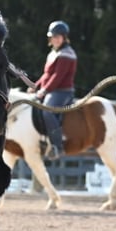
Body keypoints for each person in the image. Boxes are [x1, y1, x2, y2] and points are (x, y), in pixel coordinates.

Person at [29, 20, 77, 159]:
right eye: (53, 36)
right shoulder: (53, 53)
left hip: (62, 91)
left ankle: (58, 146)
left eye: (58, 36)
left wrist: (43, 91)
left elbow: (58, 76)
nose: (55, 39)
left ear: (64, 37)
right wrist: (35, 86)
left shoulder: (67, 53)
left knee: (47, 112)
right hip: (51, 89)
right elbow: (47, 74)